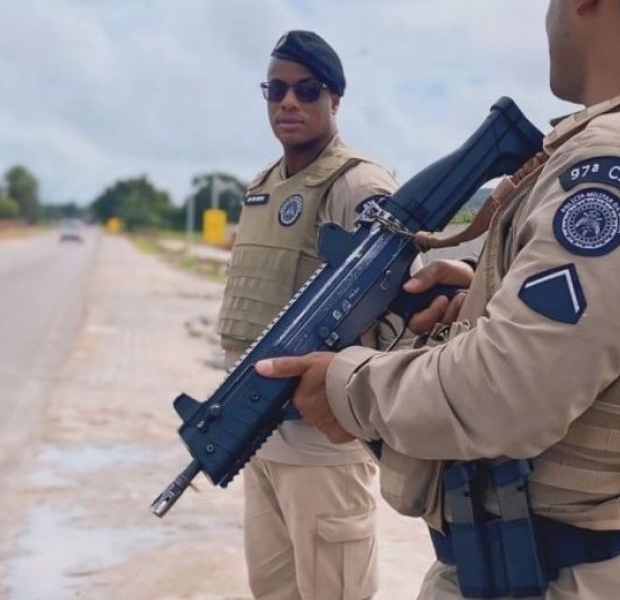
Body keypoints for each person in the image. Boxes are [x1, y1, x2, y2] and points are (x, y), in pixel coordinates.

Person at [256, 1, 620, 598]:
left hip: (553, 571)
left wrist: (346, 386)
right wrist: (489, 294)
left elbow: (505, 393)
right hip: (542, 560)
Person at [217, 29, 396, 600]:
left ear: (334, 99)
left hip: (322, 446)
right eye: (276, 90)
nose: (288, 103)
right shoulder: (263, 186)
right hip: (258, 440)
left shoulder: (357, 185)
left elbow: (397, 315)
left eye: (307, 89)